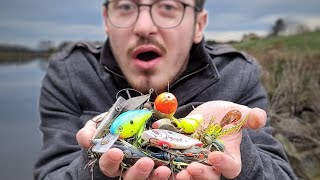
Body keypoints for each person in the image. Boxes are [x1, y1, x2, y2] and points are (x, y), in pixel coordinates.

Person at [34, 0, 297, 179]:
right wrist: (98, 163)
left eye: (168, 6)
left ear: (199, 25)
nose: (143, 27)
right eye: (125, 6)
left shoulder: (238, 73)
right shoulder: (70, 72)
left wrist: (238, 154)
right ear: (106, 19)